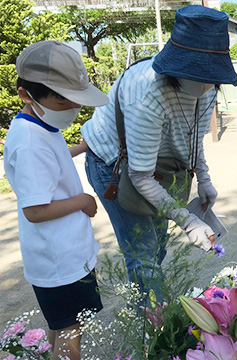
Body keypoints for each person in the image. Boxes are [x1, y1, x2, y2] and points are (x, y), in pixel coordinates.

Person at [81, 5, 237, 299]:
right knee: (144, 256)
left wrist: (204, 179)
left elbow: (194, 139)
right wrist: (187, 220)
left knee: (158, 247)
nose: (206, 85)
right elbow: (140, 175)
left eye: (212, 76)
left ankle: (154, 313)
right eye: (197, 74)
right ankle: (154, 331)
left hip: (156, 168)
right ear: (177, 67)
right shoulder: (149, 92)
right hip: (115, 165)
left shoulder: (208, 90)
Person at [3, 40, 109, 359]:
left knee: (62, 324)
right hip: (58, 258)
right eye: (63, 101)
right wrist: (83, 201)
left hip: (66, 252)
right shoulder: (30, 142)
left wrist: (82, 148)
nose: (72, 109)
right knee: (70, 330)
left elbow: (54, 158)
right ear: (26, 94)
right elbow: (35, 210)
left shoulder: (41, 124)